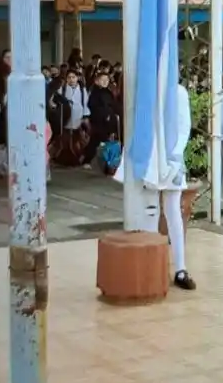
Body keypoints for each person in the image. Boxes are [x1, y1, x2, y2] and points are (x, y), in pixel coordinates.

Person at [114, 82, 196, 291]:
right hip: (148, 158)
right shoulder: (144, 88)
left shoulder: (177, 91)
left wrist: (174, 156)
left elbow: (183, 126)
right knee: (149, 210)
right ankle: (151, 267)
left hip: (170, 159)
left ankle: (180, 268)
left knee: (173, 213)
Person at [82, 71, 120, 170]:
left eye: (106, 80)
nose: (105, 82)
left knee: (107, 141)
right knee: (95, 140)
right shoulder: (94, 93)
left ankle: (109, 164)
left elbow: (112, 105)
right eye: (102, 80)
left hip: (110, 120)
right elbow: (93, 106)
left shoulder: (108, 92)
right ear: (97, 81)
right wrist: (104, 114)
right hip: (99, 121)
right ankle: (88, 159)